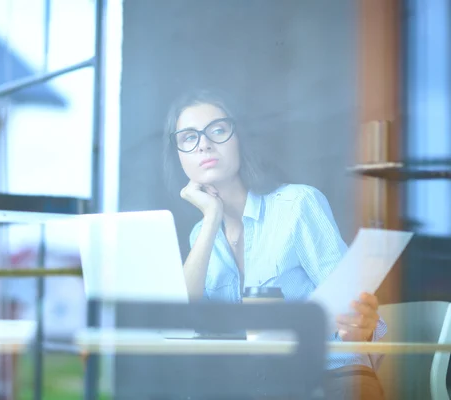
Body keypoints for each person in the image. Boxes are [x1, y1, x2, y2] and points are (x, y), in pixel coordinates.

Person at [163, 90, 387, 399]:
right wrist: (212, 216)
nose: (204, 143)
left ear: (240, 137)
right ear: (180, 156)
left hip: (328, 375)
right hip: (252, 386)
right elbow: (180, 318)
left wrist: (361, 323)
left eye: (217, 130)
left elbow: (360, 314)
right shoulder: (200, 234)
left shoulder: (297, 205)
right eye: (189, 137)